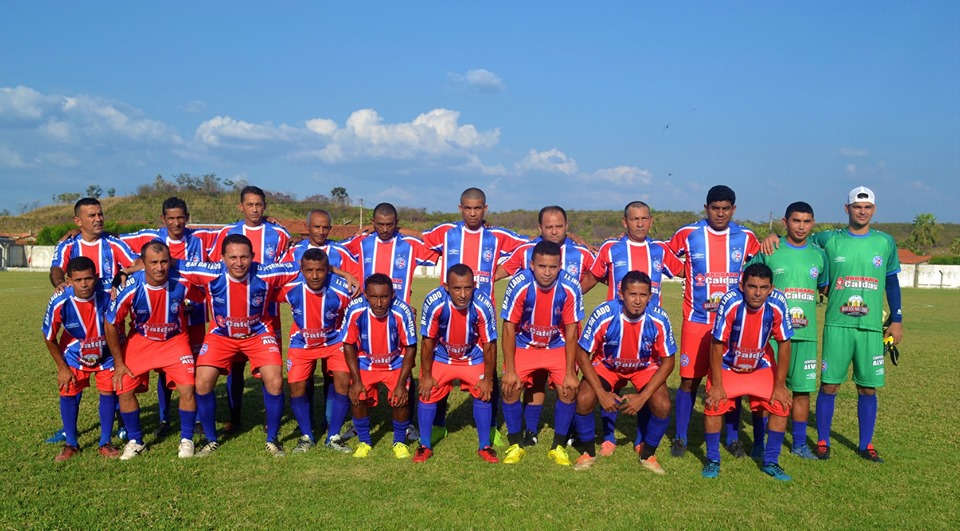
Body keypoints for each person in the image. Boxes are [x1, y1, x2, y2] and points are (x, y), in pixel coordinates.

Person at [763, 186, 903, 462]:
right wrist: (772, 237)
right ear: (847, 209)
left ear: (873, 210)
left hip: (872, 326)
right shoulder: (828, 240)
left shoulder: (885, 242)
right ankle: (823, 441)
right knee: (829, 385)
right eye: (856, 206)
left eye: (867, 207)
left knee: (867, 387)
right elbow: (796, 240)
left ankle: (866, 444)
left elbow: (891, 281)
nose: (862, 211)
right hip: (837, 325)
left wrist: (896, 319)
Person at [420, 188, 526, 446]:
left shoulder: (496, 235)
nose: (472, 213)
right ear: (460, 208)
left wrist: (498, 272)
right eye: (468, 208)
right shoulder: (446, 232)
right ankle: (438, 425)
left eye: (477, 208)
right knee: (440, 370)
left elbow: (529, 245)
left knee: (488, 373)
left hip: (481, 317)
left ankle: (490, 430)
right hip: (448, 314)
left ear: (485, 209)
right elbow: (417, 239)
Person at [176, 234, 300, 456]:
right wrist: (129, 270)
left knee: (275, 382)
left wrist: (342, 273)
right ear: (222, 257)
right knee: (202, 383)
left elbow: (307, 265)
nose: (239, 263)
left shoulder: (265, 272)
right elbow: (171, 262)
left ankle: (273, 438)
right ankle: (211, 439)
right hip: (221, 335)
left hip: (258, 334)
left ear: (253, 256)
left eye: (244, 257)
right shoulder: (211, 272)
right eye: (232, 257)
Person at [580, 201, 683, 455]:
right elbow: (592, 278)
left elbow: (688, 270)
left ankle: (641, 439)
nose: (640, 223)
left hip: (648, 332)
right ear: (625, 222)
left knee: (650, 393)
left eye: (644, 218)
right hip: (614, 329)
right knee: (608, 389)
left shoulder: (661, 250)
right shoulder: (611, 248)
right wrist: (566, 298)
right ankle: (608, 437)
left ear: (651, 220)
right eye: (634, 219)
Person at [667, 185, 761, 458]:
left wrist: (774, 238)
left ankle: (732, 439)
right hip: (697, 321)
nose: (720, 214)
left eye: (725, 209)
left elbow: (763, 261)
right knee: (688, 381)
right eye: (715, 208)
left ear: (733, 209)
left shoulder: (747, 237)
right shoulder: (688, 234)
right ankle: (681, 438)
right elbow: (664, 255)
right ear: (706, 208)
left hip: (733, 324)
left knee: (730, 382)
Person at [494, 205, 594, 448]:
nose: (554, 231)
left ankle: (567, 432)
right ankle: (528, 432)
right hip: (528, 337)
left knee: (569, 385)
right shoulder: (526, 251)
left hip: (560, 335)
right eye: (548, 226)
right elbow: (498, 273)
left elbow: (603, 269)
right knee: (532, 383)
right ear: (539, 228)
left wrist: (574, 294)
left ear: (567, 227)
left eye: (559, 226)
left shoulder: (580, 252)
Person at [120, 196, 215, 437]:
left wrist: (265, 219)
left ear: (188, 218)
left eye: (180, 217)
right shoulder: (150, 238)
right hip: (164, 317)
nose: (176, 222)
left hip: (194, 316)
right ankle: (164, 418)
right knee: (163, 368)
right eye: (171, 218)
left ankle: (195, 421)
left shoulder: (200, 238)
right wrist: (76, 233)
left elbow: (237, 227)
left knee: (190, 369)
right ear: (163, 219)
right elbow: (112, 239)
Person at [46, 197, 138, 444]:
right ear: (78, 221)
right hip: (78, 318)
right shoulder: (69, 245)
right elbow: (56, 269)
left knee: (113, 374)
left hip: (108, 318)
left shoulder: (113, 243)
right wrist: (60, 284)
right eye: (91, 216)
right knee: (74, 373)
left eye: (100, 214)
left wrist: (123, 273)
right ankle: (69, 431)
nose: (98, 219)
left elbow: (137, 261)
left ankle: (120, 426)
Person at [571, 271, 677, 472]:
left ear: (650, 297)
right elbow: (582, 352)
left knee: (662, 404)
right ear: (621, 294)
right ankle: (587, 453)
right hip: (608, 366)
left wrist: (643, 397)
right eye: (632, 294)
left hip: (643, 367)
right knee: (584, 398)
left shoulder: (658, 317)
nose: (637, 301)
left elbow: (668, 361)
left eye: (643, 295)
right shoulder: (605, 313)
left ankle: (648, 456)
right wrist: (601, 394)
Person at [104, 242, 202, 459]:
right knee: (124, 388)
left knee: (187, 388)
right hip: (142, 340)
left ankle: (186, 439)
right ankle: (136, 440)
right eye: (154, 262)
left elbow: (205, 293)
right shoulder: (131, 287)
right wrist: (119, 363)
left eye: (164, 262)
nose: (160, 268)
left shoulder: (182, 282)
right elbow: (110, 322)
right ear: (143, 264)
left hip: (175, 340)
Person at [747, 201, 828, 459]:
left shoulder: (819, 255)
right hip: (770, 336)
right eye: (796, 221)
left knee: (802, 390)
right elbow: (749, 282)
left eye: (806, 222)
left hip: (805, 335)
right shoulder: (771, 249)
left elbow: (826, 288)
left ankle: (800, 444)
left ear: (812, 224)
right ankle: (760, 442)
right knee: (763, 391)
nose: (801, 226)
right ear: (785, 222)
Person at [208, 186, 291, 433]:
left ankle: (270, 421)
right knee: (235, 366)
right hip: (232, 310)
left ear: (265, 207)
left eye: (259, 205)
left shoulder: (279, 233)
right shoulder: (227, 232)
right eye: (250, 204)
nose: (254, 209)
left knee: (270, 367)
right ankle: (234, 417)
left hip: (268, 313)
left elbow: (287, 266)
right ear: (241, 206)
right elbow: (215, 266)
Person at [701, 263, 794, 481]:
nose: (757, 293)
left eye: (763, 287)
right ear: (742, 285)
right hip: (728, 365)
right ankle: (713, 459)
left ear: (771, 288)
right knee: (713, 404)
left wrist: (780, 386)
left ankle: (771, 462)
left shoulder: (778, 303)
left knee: (780, 405)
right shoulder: (730, 301)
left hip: (759, 365)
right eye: (752, 286)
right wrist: (717, 384)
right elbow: (716, 343)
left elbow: (785, 344)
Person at [499, 241, 583, 465]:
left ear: (560, 265)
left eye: (553, 267)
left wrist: (570, 371)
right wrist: (510, 369)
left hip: (556, 345)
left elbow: (572, 329)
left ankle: (557, 447)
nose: (547, 272)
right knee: (510, 387)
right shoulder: (519, 284)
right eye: (542, 266)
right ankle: (516, 444)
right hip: (525, 345)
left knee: (568, 388)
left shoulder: (570, 286)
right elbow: (508, 327)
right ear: (531, 265)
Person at [280, 209, 361, 439]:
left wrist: (337, 270)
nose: (321, 231)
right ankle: (306, 426)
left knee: (333, 377)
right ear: (308, 227)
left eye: (326, 227)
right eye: (316, 227)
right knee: (301, 381)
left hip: (334, 329)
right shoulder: (295, 251)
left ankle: (329, 423)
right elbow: (284, 278)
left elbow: (355, 283)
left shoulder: (340, 251)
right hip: (303, 331)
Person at [414, 264, 499, 463]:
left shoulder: (483, 303)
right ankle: (424, 445)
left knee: (484, 393)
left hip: (472, 357)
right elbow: (427, 342)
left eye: (467, 288)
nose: (462, 294)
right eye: (457, 288)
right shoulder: (434, 302)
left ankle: (484, 446)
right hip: (443, 356)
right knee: (427, 392)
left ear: (474, 285)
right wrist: (426, 375)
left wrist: (488, 378)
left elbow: (489, 344)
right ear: (446, 286)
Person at [277, 248, 354, 453]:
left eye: (319, 270)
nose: (314, 275)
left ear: (328, 270)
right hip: (301, 343)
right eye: (309, 270)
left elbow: (361, 307)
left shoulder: (341, 288)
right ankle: (306, 436)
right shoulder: (289, 287)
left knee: (343, 380)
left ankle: (334, 436)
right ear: (301, 269)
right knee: (296, 387)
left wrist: (345, 275)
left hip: (334, 341)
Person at [41, 257, 119, 460]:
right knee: (67, 391)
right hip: (74, 356)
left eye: (88, 278)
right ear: (68, 280)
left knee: (108, 393)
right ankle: (71, 444)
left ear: (96, 277)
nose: (84, 284)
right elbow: (49, 336)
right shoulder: (60, 300)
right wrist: (62, 368)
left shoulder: (108, 291)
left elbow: (135, 274)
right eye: (78, 280)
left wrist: (124, 276)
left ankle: (105, 442)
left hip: (105, 354)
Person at [341, 274, 418, 459]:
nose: (379, 303)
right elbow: (348, 344)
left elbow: (410, 347)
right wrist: (356, 380)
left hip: (395, 363)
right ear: (366, 295)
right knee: (357, 396)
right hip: (366, 363)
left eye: (384, 297)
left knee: (401, 398)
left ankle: (399, 442)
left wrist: (401, 384)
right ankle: (365, 442)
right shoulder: (355, 309)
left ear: (392, 294)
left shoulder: (402, 310)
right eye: (374, 297)